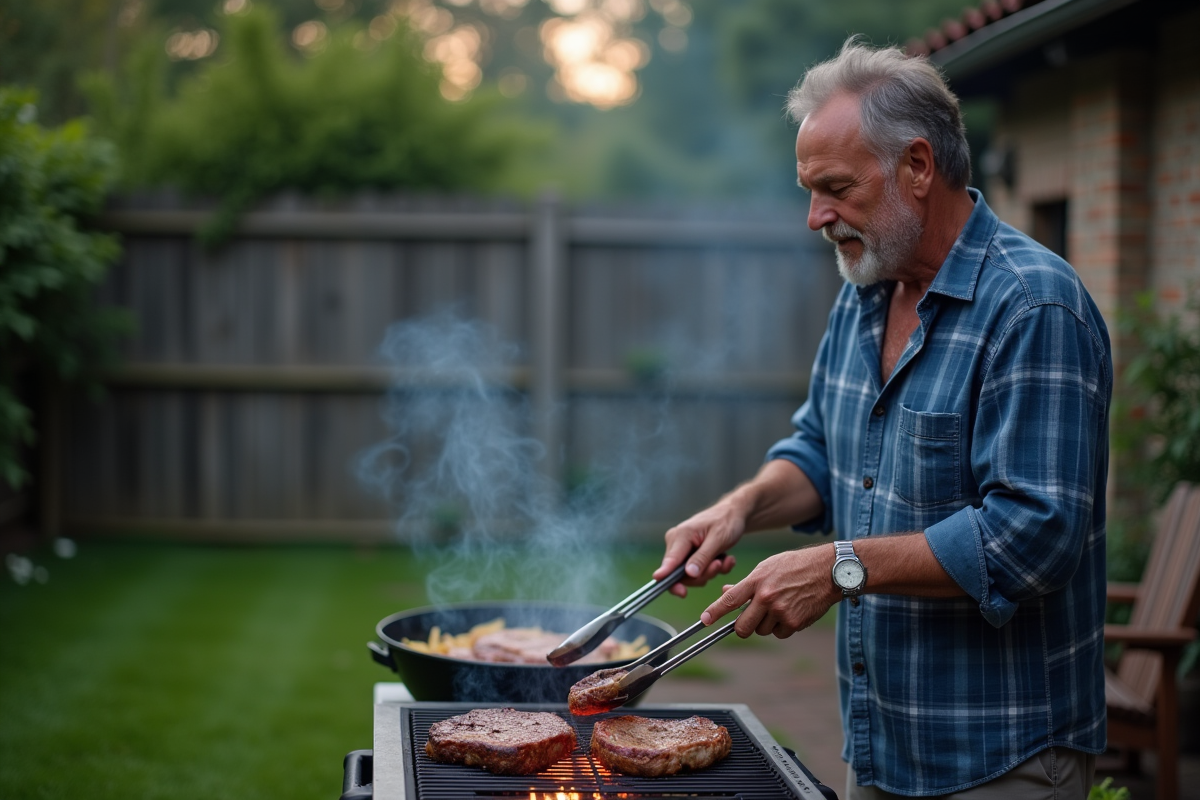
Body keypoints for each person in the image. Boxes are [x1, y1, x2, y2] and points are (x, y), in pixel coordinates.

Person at [653, 38, 1112, 799]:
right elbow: (819, 448)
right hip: (882, 744)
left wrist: (839, 567)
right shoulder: (867, 289)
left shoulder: (1033, 306)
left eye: (834, 187)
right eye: (808, 190)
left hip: (1002, 756)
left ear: (919, 167)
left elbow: (1035, 538)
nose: (814, 217)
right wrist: (738, 509)